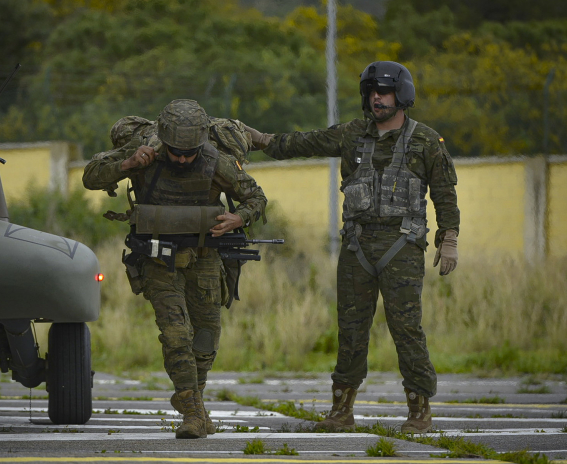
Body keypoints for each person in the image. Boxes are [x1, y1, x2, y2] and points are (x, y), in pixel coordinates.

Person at [248, 61, 459, 434]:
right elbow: (305, 142)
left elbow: (444, 193)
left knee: (406, 327)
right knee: (351, 328)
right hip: (357, 245)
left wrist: (450, 238)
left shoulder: (426, 141)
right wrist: (260, 140)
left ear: (401, 95)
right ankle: (341, 410)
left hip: (402, 245)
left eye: (385, 92)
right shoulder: (352, 134)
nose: (377, 98)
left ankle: (419, 409)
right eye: (372, 92)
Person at [82, 99, 267, 439]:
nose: (182, 159)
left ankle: (191, 397)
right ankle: (193, 413)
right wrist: (128, 164)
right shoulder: (145, 152)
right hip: (158, 259)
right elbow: (90, 176)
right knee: (176, 334)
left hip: (204, 257)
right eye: (175, 153)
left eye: (189, 154)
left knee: (206, 339)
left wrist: (239, 218)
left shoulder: (216, 161)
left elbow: (257, 197)